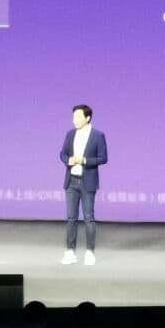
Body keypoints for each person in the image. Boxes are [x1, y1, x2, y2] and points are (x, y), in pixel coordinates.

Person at [60, 103, 107, 265]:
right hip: (71, 181)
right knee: (71, 218)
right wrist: (69, 160)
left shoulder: (98, 135)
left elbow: (103, 158)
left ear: (87, 118)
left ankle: (90, 252)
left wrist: (84, 160)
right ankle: (70, 251)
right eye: (73, 117)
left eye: (78, 117)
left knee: (88, 218)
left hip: (88, 182)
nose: (75, 120)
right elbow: (62, 154)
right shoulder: (70, 134)